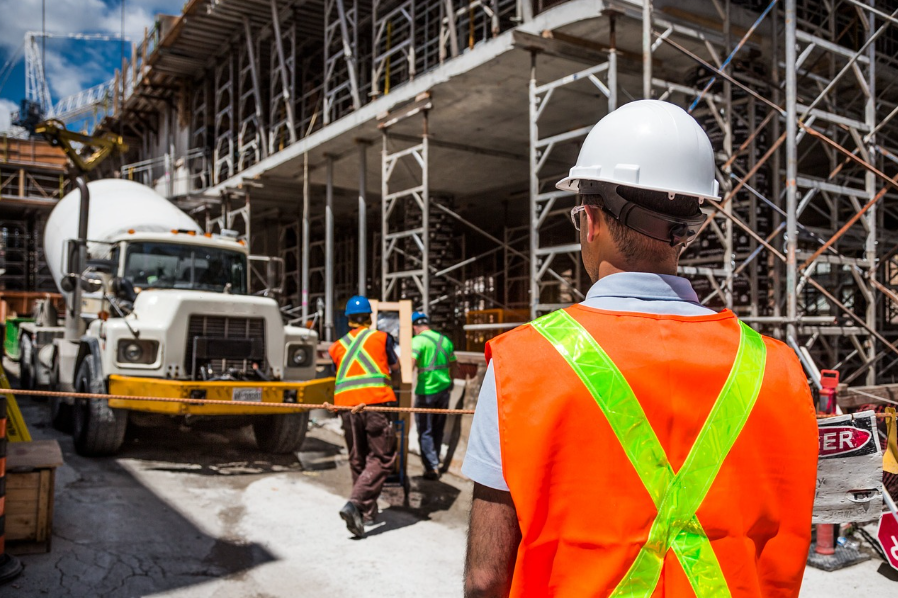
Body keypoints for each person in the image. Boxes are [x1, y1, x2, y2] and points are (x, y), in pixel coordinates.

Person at [462, 100, 818, 597]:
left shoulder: (521, 364)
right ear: (687, 230)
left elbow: (486, 578)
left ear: (589, 221)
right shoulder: (775, 367)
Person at [329, 295, 400, 539]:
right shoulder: (381, 338)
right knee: (383, 457)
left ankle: (365, 513)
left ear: (348, 319)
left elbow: (339, 373)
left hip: (347, 408)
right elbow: (395, 367)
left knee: (357, 457)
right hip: (374, 404)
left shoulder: (336, 346)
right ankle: (356, 503)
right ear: (370, 317)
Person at [410, 311, 458, 480]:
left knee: (425, 430)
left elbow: (410, 363)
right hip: (444, 391)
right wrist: (450, 381)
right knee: (438, 429)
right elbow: (454, 365)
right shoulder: (445, 340)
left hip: (426, 392)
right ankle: (435, 461)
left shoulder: (417, 341)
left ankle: (431, 468)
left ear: (415, 327)